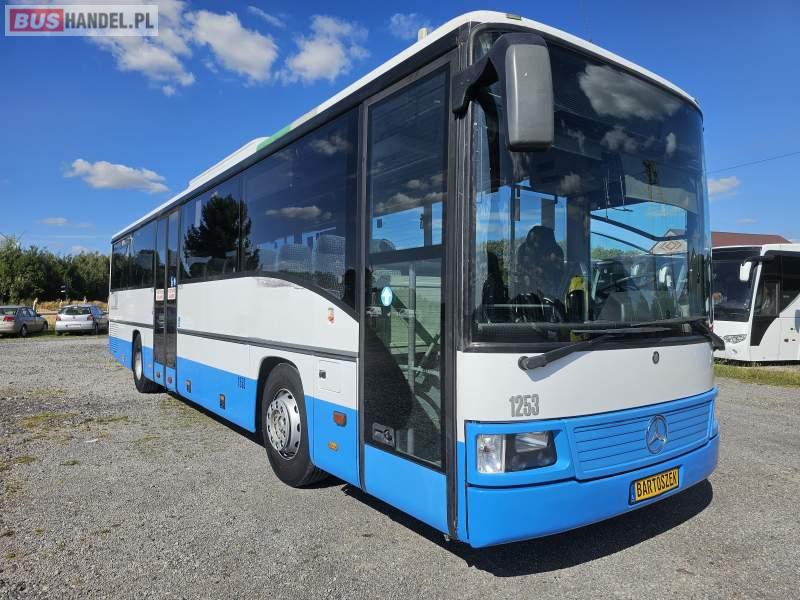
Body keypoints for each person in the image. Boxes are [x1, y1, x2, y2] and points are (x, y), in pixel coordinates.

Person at [516, 225, 565, 299]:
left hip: (552, 296)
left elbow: (558, 276)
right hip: (527, 296)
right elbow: (519, 269)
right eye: (531, 242)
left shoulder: (555, 252)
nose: (534, 245)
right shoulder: (523, 250)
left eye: (538, 242)